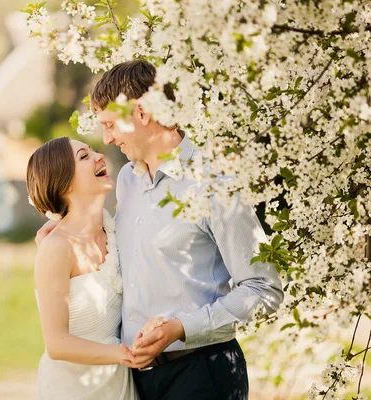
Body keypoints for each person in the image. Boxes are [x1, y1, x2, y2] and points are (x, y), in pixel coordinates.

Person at [36, 60, 284, 400]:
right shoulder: (126, 182)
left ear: (141, 113)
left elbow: (263, 289)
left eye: (110, 124)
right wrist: (57, 234)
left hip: (201, 373)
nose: (106, 138)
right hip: (136, 381)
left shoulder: (213, 185)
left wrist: (182, 328)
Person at [28, 137, 148, 399]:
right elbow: (56, 344)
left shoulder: (118, 231)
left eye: (94, 150)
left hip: (119, 383)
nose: (99, 156)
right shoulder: (56, 247)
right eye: (84, 156)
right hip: (74, 388)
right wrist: (123, 353)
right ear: (64, 182)